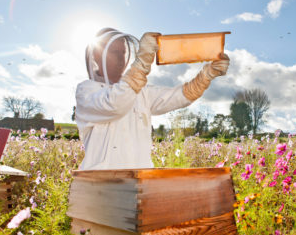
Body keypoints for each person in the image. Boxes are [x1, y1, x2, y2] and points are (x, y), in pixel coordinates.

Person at [75, 28, 229, 169]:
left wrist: (206, 75)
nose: (121, 58)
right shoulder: (86, 91)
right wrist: (142, 64)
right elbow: (115, 104)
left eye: (123, 52)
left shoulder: (141, 91)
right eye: (115, 52)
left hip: (140, 182)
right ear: (96, 55)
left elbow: (179, 96)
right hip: (99, 186)